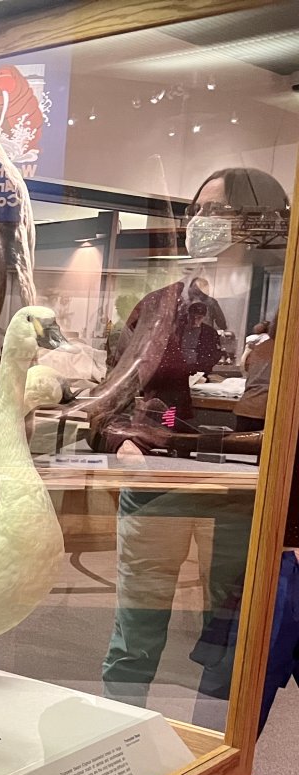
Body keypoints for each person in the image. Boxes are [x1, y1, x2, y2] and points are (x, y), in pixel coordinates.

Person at [99, 167, 290, 713]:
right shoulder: (161, 307)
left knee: (230, 632)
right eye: (196, 211)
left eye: (217, 210)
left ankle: (214, 744)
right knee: (138, 625)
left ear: (258, 219)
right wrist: (127, 447)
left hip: (244, 495)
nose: (200, 223)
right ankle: (117, 731)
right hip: (160, 482)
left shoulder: (284, 310)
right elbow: (113, 394)